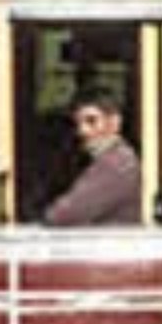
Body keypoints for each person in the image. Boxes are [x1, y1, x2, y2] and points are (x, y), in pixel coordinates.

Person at [43, 88, 141, 227]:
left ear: (115, 122)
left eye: (91, 121)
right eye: (77, 123)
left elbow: (62, 215)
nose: (82, 131)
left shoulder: (116, 165)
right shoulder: (112, 160)